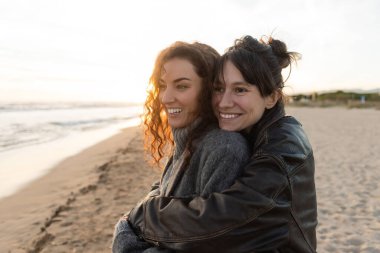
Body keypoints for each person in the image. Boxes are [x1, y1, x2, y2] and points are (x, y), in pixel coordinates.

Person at [127, 35, 318, 252]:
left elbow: (218, 224)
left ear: (272, 98)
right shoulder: (254, 132)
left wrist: (140, 218)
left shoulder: (281, 151)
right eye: (219, 88)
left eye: (240, 89)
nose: (224, 103)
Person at [111, 41, 250, 252]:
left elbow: (207, 244)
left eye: (182, 86)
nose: (166, 98)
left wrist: (123, 233)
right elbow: (161, 196)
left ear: (208, 90)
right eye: (162, 85)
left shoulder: (224, 148)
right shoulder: (187, 139)